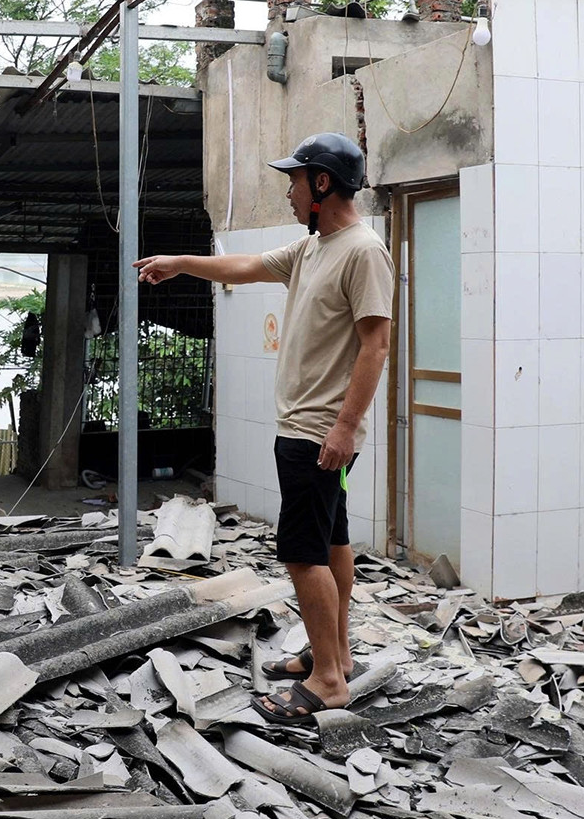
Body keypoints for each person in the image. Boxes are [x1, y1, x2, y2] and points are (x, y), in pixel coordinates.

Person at [134, 132, 393, 725]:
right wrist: (180, 263)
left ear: (322, 184)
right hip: (309, 427)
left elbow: (376, 346)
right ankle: (335, 656)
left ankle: (328, 683)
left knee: (301, 555)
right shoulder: (313, 248)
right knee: (331, 541)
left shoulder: (362, 251)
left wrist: (344, 427)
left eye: (295, 180)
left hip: (318, 432)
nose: (289, 192)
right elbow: (247, 266)